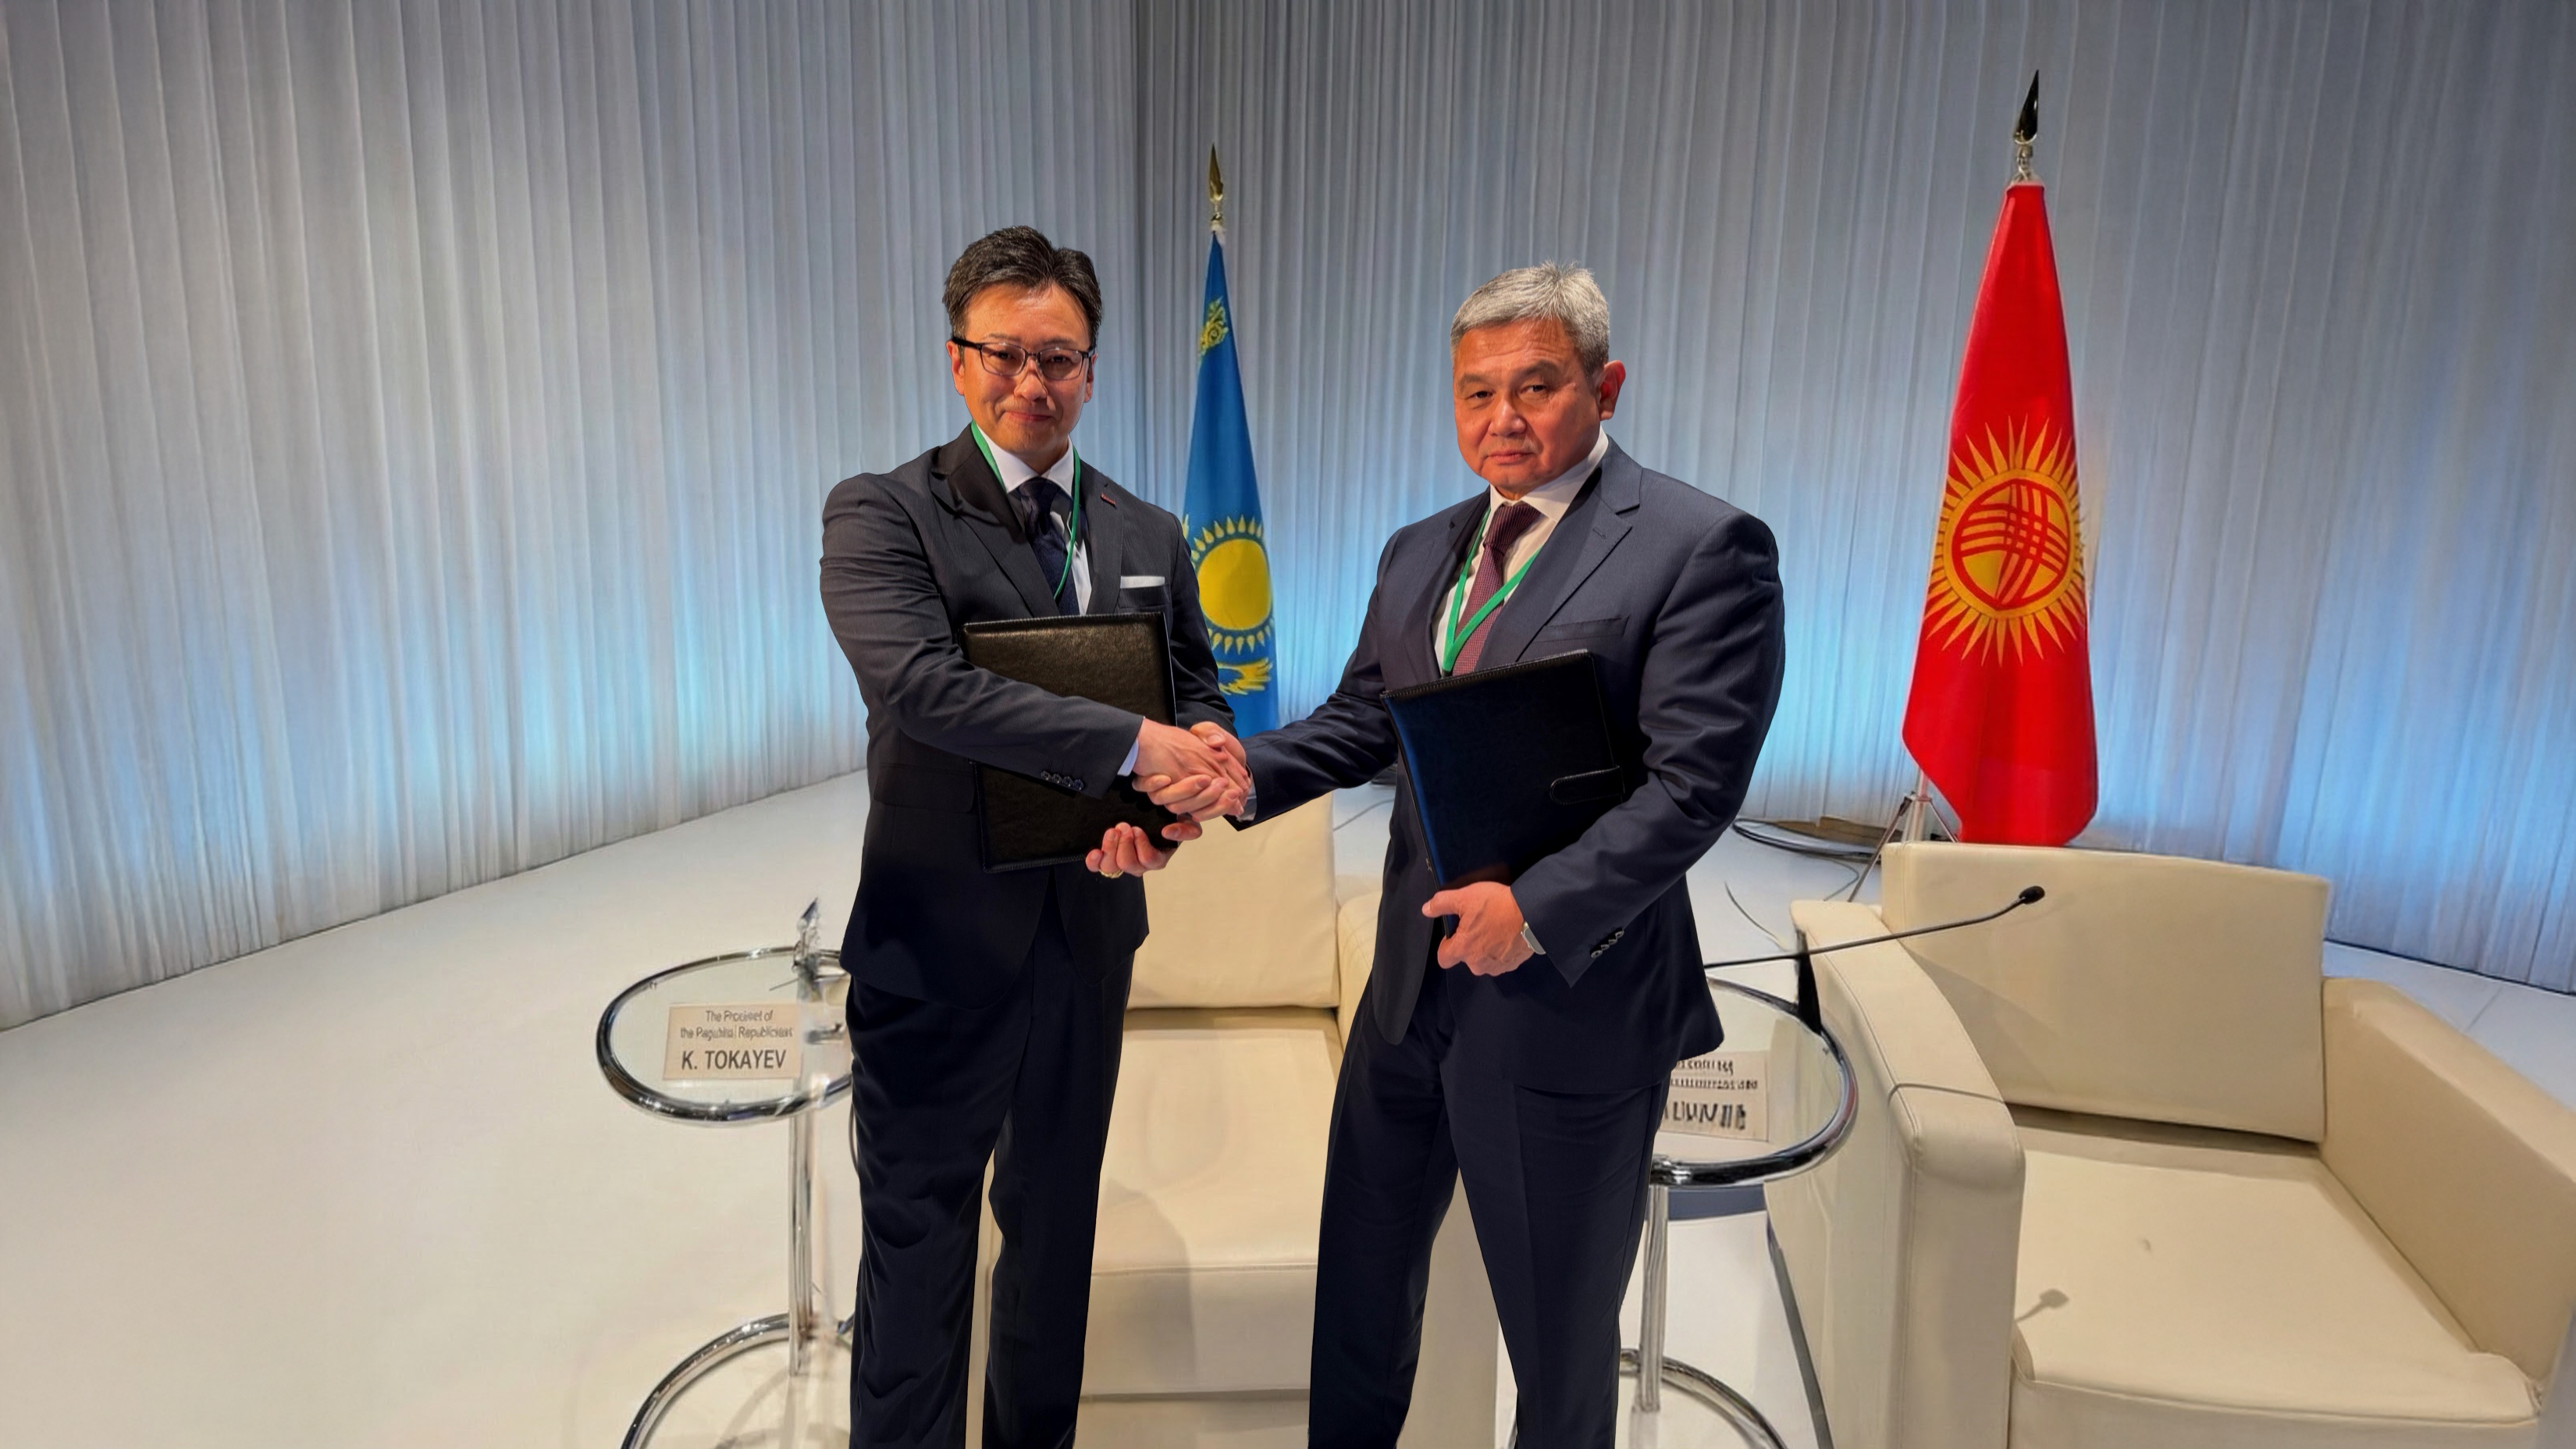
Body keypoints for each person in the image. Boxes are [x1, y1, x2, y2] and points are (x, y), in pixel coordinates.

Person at [1097, 262, 1785, 1447]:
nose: (1502, 418)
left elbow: (1694, 786)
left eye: (1537, 385)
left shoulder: (1700, 546)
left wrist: (1540, 907)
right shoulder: (1420, 549)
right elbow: (1367, 717)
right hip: (1409, 996)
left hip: (1569, 1006)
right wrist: (1236, 774)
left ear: (1606, 386)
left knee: (1557, 1351)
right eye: (1476, 393)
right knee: (1360, 1304)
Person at [820, 224, 1247, 1449]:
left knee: (1056, 1241)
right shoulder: (884, 514)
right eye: (1004, 353)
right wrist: (1134, 746)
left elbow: (1195, 685)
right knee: (917, 1249)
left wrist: (1183, 787)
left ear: (1092, 371)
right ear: (958, 359)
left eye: (1058, 357)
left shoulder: (1145, 530)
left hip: (1087, 938)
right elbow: (925, 690)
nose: (1031, 381)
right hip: (936, 944)